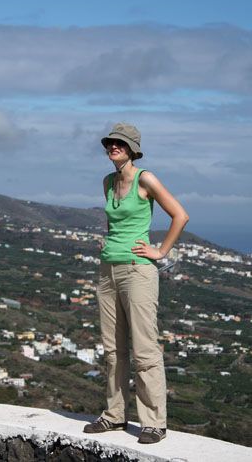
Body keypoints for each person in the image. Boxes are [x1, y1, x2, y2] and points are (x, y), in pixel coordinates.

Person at [83, 123, 189, 444]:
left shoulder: (146, 179)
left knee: (144, 349)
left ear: (131, 149)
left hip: (137, 270)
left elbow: (180, 215)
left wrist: (160, 250)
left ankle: (154, 422)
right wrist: (109, 244)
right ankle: (115, 415)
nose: (113, 146)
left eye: (119, 143)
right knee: (113, 350)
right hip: (108, 270)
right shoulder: (108, 182)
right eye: (110, 143)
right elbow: (116, 223)